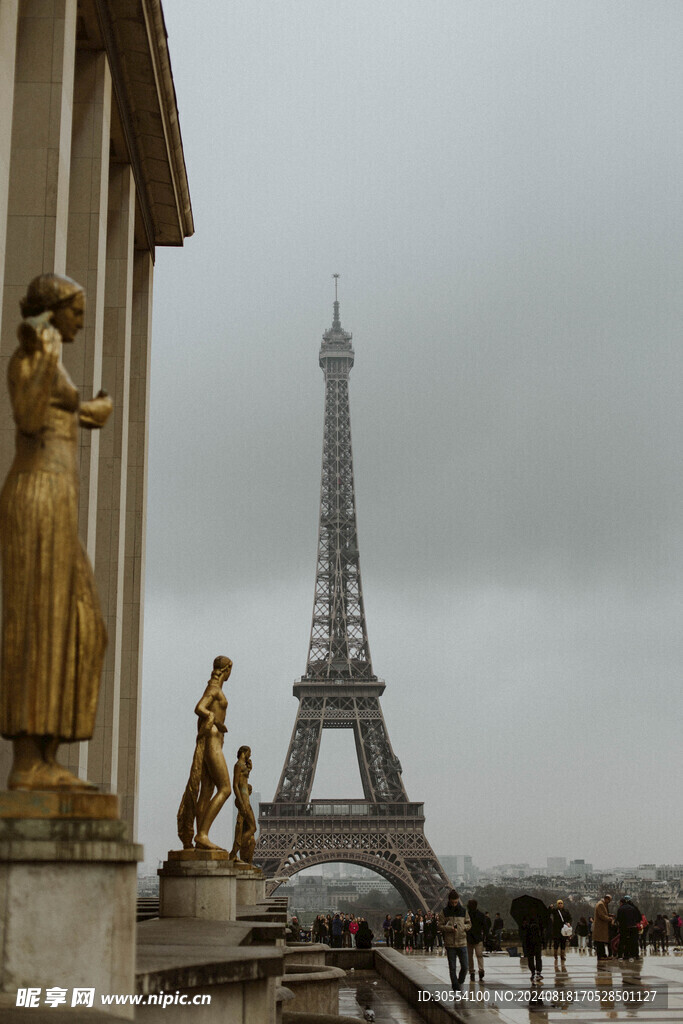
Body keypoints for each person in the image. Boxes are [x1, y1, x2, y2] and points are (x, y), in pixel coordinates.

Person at [0, 274, 112, 790]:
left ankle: (46, 752)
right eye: (76, 309)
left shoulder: (50, 366)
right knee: (40, 626)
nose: (83, 320)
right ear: (53, 312)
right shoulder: (31, 357)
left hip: (58, 505)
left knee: (85, 629)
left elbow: (67, 408)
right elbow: (26, 414)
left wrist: (95, 410)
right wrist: (42, 344)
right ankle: (29, 763)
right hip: (37, 499)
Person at [177, 656, 233, 849]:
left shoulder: (216, 689)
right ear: (227, 669)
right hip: (213, 741)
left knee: (207, 791)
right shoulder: (214, 689)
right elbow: (199, 708)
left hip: (215, 740)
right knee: (226, 788)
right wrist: (215, 720)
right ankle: (202, 834)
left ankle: (202, 837)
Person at [437, 890, 471, 992]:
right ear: (449, 901)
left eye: (456, 902)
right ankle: (456, 988)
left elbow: (469, 923)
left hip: (462, 942)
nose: (454, 904)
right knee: (452, 968)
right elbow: (439, 925)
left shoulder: (464, 911)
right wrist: (449, 928)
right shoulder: (444, 912)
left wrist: (463, 928)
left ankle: (460, 982)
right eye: (452, 902)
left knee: (465, 967)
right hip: (450, 943)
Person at [616, 896, 642, 961]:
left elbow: (619, 919)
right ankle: (634, 955)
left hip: (624, 927)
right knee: (633, 941)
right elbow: (638, 918)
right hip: (633, 927)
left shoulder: (620, 908)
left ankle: (621, 955)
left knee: (623, 941)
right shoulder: (633, 908)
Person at [466, 898, 486, 981]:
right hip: (478, 938)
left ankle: (472, 972)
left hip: (469, 938)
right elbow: (485, 927)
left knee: (470, 956)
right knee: (479, 955)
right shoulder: (481, 915)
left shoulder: (466, 915)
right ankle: (481, 970)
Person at [520, 916, 544, 983]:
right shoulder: (538, 919)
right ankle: (538, 972)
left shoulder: (525, 920)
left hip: (530, 943)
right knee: (538, 958)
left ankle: (533, 972)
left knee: (531, 959)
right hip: (536, 942)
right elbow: (542, 932)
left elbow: (523, 934)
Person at [593, 895, 613, 960]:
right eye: (609, 900)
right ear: (606, 899)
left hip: (601, 926)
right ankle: (601, 955)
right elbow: (601, 915)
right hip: (600, 926)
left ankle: (603, 954)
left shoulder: (602, 904)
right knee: (600, 942)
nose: (609, 902)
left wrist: (609, 915)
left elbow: (603, 914)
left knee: (601, 941)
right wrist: (609, 918)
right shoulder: (600, 905)